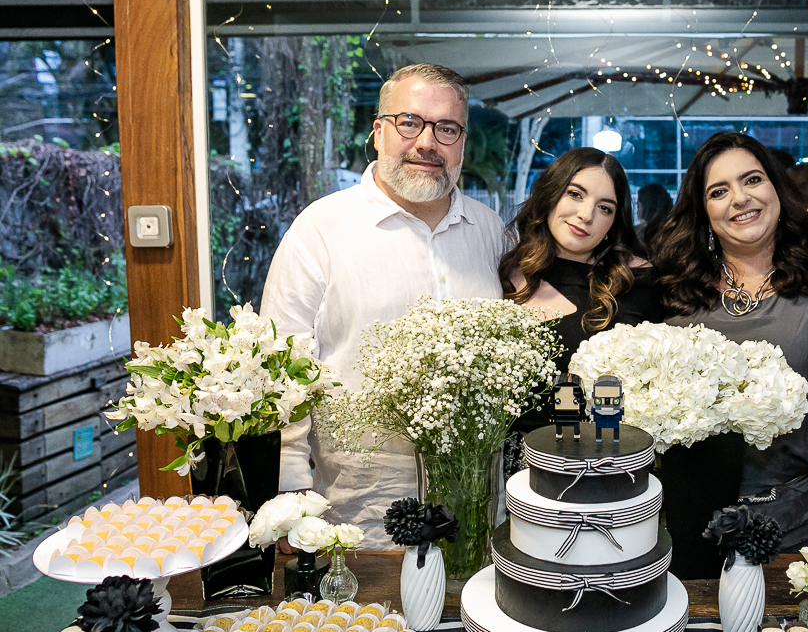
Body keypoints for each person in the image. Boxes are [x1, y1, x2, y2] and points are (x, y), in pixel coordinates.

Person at [259, 63, 507, 549]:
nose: (427, 142)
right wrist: (291, 491)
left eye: (447, 129)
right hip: (359, 510)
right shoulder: (320, 230)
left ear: (462, 142)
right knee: (368, 625)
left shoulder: (490, 231)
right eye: (409, 122)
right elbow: (280, 369)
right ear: (378, 132)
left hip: (477, 503)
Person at [653, 132, 808, 578]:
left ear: (777, 189)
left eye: (753, 180)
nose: (739, 199)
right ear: (703, 213)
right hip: (694, 537)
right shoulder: (675, 297)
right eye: (718, 191)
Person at [500, 147, 661, 432]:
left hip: (613, 460)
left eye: (605, 208)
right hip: (521, 466)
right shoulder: (507, 275)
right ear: (550, 194)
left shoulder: (636, 279)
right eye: (575, 194)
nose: (586, 215)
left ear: (614, 221)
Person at [636, 182, 673, 249]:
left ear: (647, 206)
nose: (637, 212)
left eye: (638, 206)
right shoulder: (672, 230)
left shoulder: (641, 235)